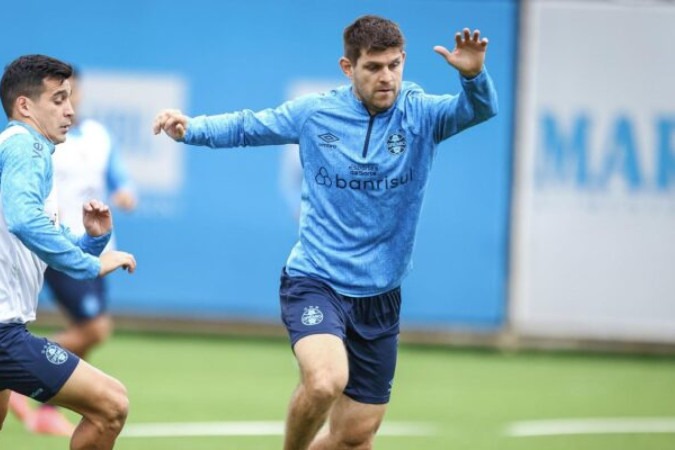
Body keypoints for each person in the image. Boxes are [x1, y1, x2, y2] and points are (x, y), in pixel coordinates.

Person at [154, 15, 498, 450]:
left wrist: (473, 76)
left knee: (354, 438)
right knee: (324, 382)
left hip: (380, 294)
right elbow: (249, 126)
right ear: (347, 67)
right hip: (317, 279)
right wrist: (192, 129)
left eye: (394, 65)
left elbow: (478, 109)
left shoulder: (422, 114)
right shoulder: (316, 113)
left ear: (404, 61)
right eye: (373, 67)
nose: (386, 77)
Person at [0, 54, 136, 449]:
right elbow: (25, 222)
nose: (71, 111)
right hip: (3, 332)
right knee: (111, 405)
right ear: (25, 106)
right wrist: (91, 263)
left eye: (71, 98)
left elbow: (40, 234)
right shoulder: (27, 148)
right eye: (58, 99)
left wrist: (92, 240)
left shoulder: (24, 151)